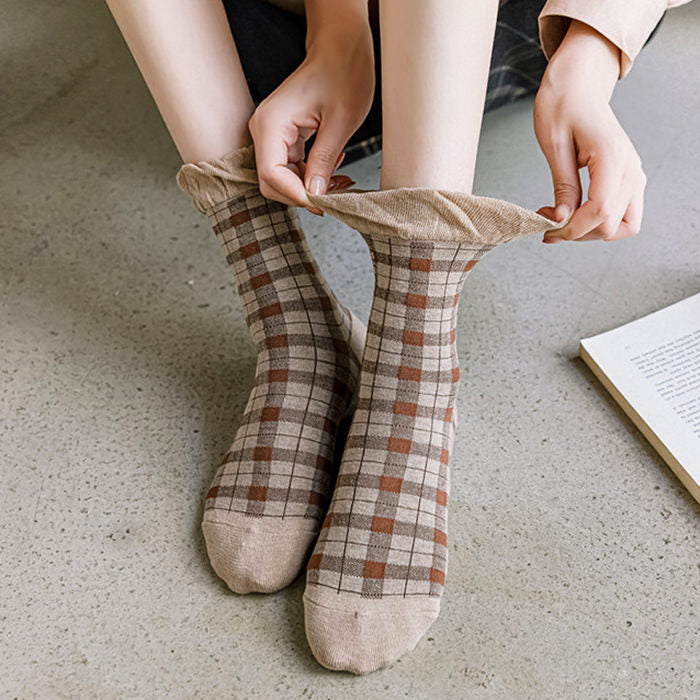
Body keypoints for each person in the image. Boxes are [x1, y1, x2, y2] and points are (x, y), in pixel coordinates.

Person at [105, 0, 689, 674]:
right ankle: (297, 326)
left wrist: (590, 53)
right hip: (273, 48)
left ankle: (414, 350)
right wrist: (337, 26)